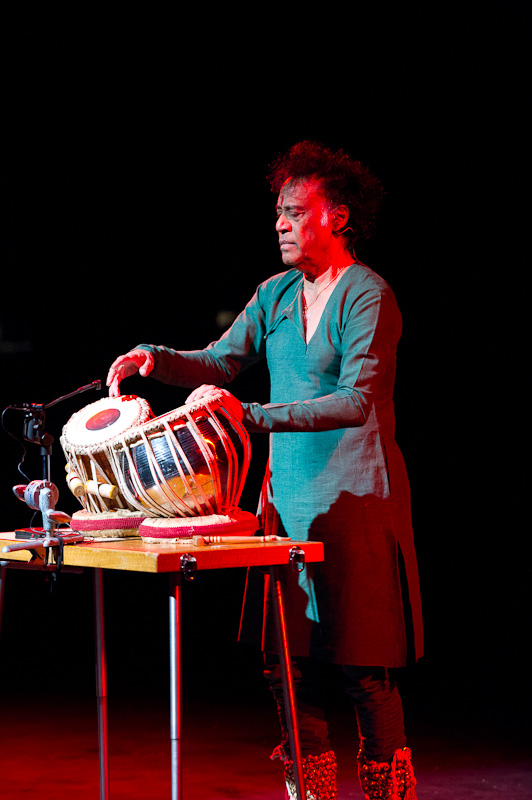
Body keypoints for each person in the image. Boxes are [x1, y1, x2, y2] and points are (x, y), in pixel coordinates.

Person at [107, 141, 423, 800]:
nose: (280, 224)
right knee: (288, 664)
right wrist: (154, 358)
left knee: (363, 669)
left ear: (337, 216)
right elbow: (221, 360)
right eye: (278, 213)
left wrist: (249, 415)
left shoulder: (368, 295)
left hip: (357, 500)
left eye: (294, 212)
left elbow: (356, 401)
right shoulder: (276, 295)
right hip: (288, 504)